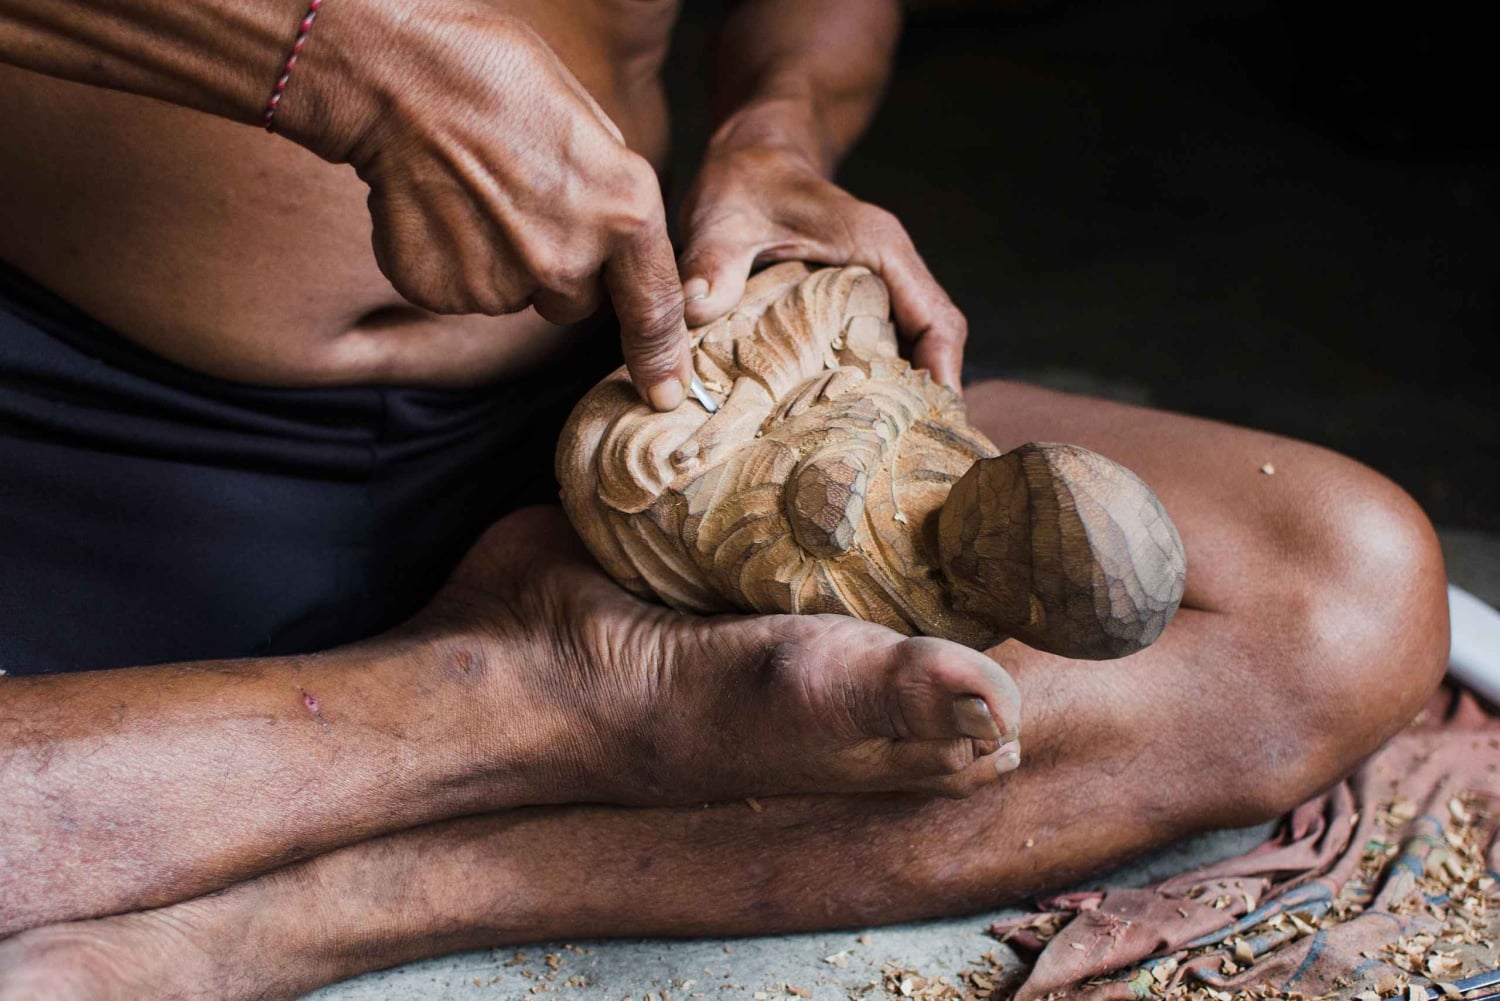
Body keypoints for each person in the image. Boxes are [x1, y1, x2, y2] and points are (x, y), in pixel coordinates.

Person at [0, 1, 1449, 997]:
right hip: (88, 431)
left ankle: (314, 912)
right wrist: (348, 59)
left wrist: (782, 127)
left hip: (642, 391)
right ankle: (532, 695)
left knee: (1341, 593)